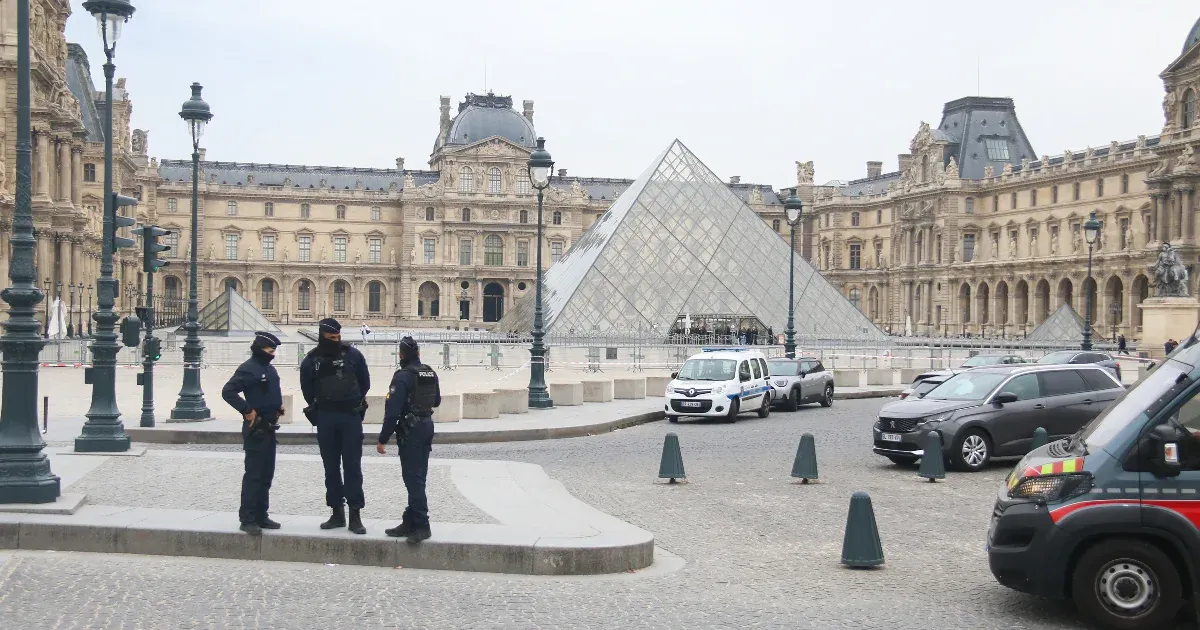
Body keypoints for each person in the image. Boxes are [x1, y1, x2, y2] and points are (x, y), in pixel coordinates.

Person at [300, 318, 371, 535]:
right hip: (327, 417)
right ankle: (336, 512)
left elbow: (364, 383)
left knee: (352, 467)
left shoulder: (353, 355)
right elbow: (307, 390)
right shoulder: (311, 360)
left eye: (338, 337)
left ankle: (355, 514)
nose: (335, 341)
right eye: (331, 338)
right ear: (322, 336)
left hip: (349, 417)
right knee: (330, 468)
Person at [376, 336, 440, 543]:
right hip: (426, 425)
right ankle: (410, 519)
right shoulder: (429, 372)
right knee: (419, 475)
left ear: (401, 355)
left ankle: (422, 524)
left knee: (413, 478)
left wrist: (383, 439)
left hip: (410, 429)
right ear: (419, 354)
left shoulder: (402, 376)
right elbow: (436, 401)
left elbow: (392, 412)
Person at [222, 331, 285, 535]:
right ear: (259, 350)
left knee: (267, 474)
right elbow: (228, 391)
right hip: (255, 428)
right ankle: (247, 518)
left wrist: (278, 406)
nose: (273, 354)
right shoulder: (248, 369)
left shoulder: (269, 368)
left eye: (274, 350)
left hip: (270, 428)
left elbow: (269, 391)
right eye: (269, 350)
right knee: (254, 475)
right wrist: (247, 410)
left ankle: (261, 515)